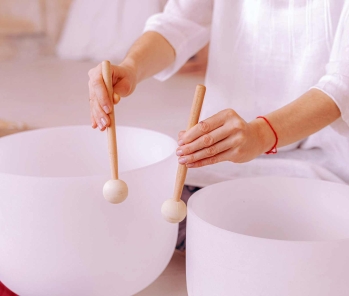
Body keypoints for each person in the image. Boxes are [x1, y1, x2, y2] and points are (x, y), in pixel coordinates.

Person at [88, 0, 349, 249]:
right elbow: (178, 22)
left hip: (325, 157)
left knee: (301, 238)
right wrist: (131, 67)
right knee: (143, 220)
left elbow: (342, 84)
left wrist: (260, 134)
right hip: (225, 151)